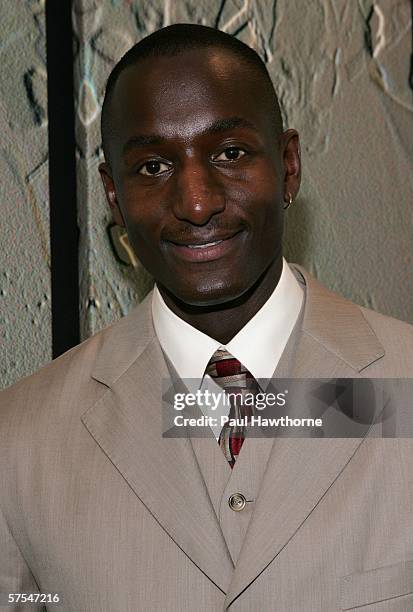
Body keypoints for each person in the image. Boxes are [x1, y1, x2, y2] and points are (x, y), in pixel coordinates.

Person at [1, 24, 412, 612]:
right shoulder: (18, 444)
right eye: (152, 167)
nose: (196, 202)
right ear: (113, 195)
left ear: (289, 166)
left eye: (230, 153)